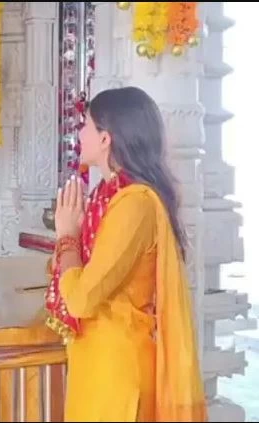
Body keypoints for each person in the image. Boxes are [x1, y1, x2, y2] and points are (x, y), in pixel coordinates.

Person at [46, 86, 207, 422]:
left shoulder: (135, 205)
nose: (79, 133)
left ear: (106, 138)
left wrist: (67, 236)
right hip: (96, 365)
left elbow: (80, 300)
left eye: (85, 124)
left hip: (118, 375)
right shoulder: (106, 197)